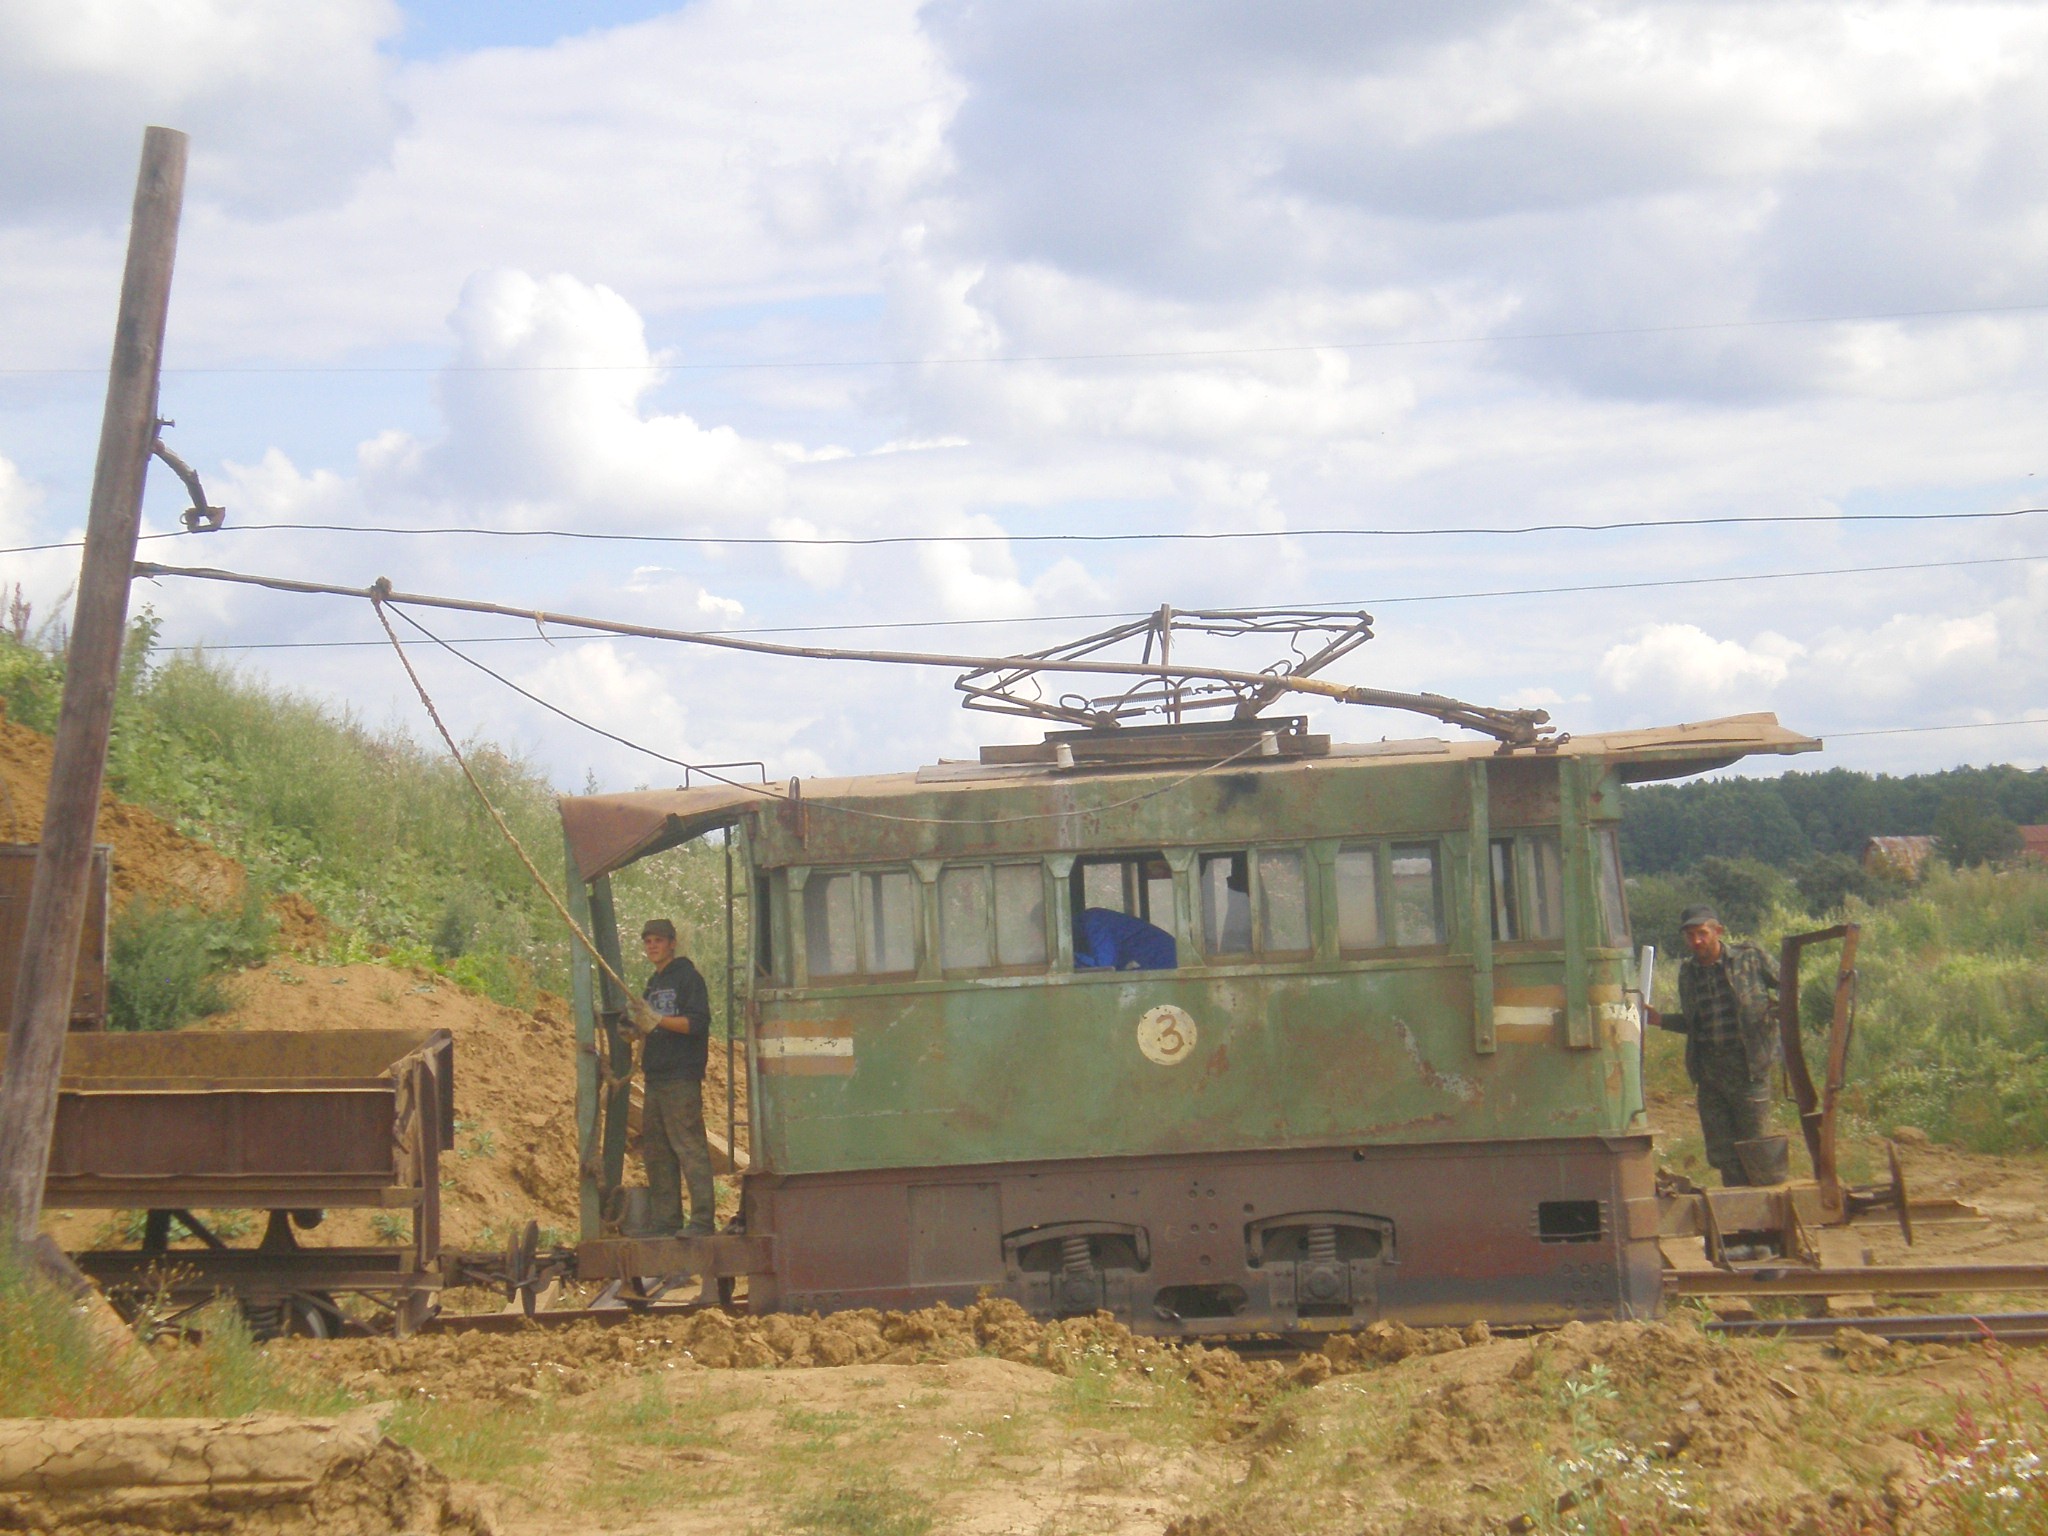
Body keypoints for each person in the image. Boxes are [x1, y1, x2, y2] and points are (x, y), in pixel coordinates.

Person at [1645, 905, 1781, 1187]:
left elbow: (1789, 984)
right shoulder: (1688, 973)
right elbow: (1695, 1023)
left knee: (1757, 1146)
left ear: (1718, 931)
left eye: (1702, 933)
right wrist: (1660, 1020)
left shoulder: (1749, 957)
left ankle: (1765, 1205)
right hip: (1710, 1073)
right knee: (1723, 1151)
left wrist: (1778, 1010)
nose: (1696, 941)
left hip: (1748, 1067)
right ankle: (1736, 1205)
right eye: (1690, 935)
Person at [625, 918, 715, 1237]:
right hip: (656, 1077)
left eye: (658, 941)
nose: (652, 946)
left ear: (672, 943)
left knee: (689, 1148)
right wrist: (633, 1028)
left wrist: (658, 1020)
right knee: (657, 1152)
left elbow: (697, 1023)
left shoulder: (688, 978)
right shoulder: (653, 983)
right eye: (648, 941)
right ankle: (666, 1222)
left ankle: (702, 1221)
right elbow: (650, 1024)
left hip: (681, 1076)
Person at [1073, 906, 1176, 971]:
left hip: (1164, 964)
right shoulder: (1092, 922)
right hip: (1158, 965)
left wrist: (1070, 959)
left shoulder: (1095, 921)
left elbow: (1104, 967)